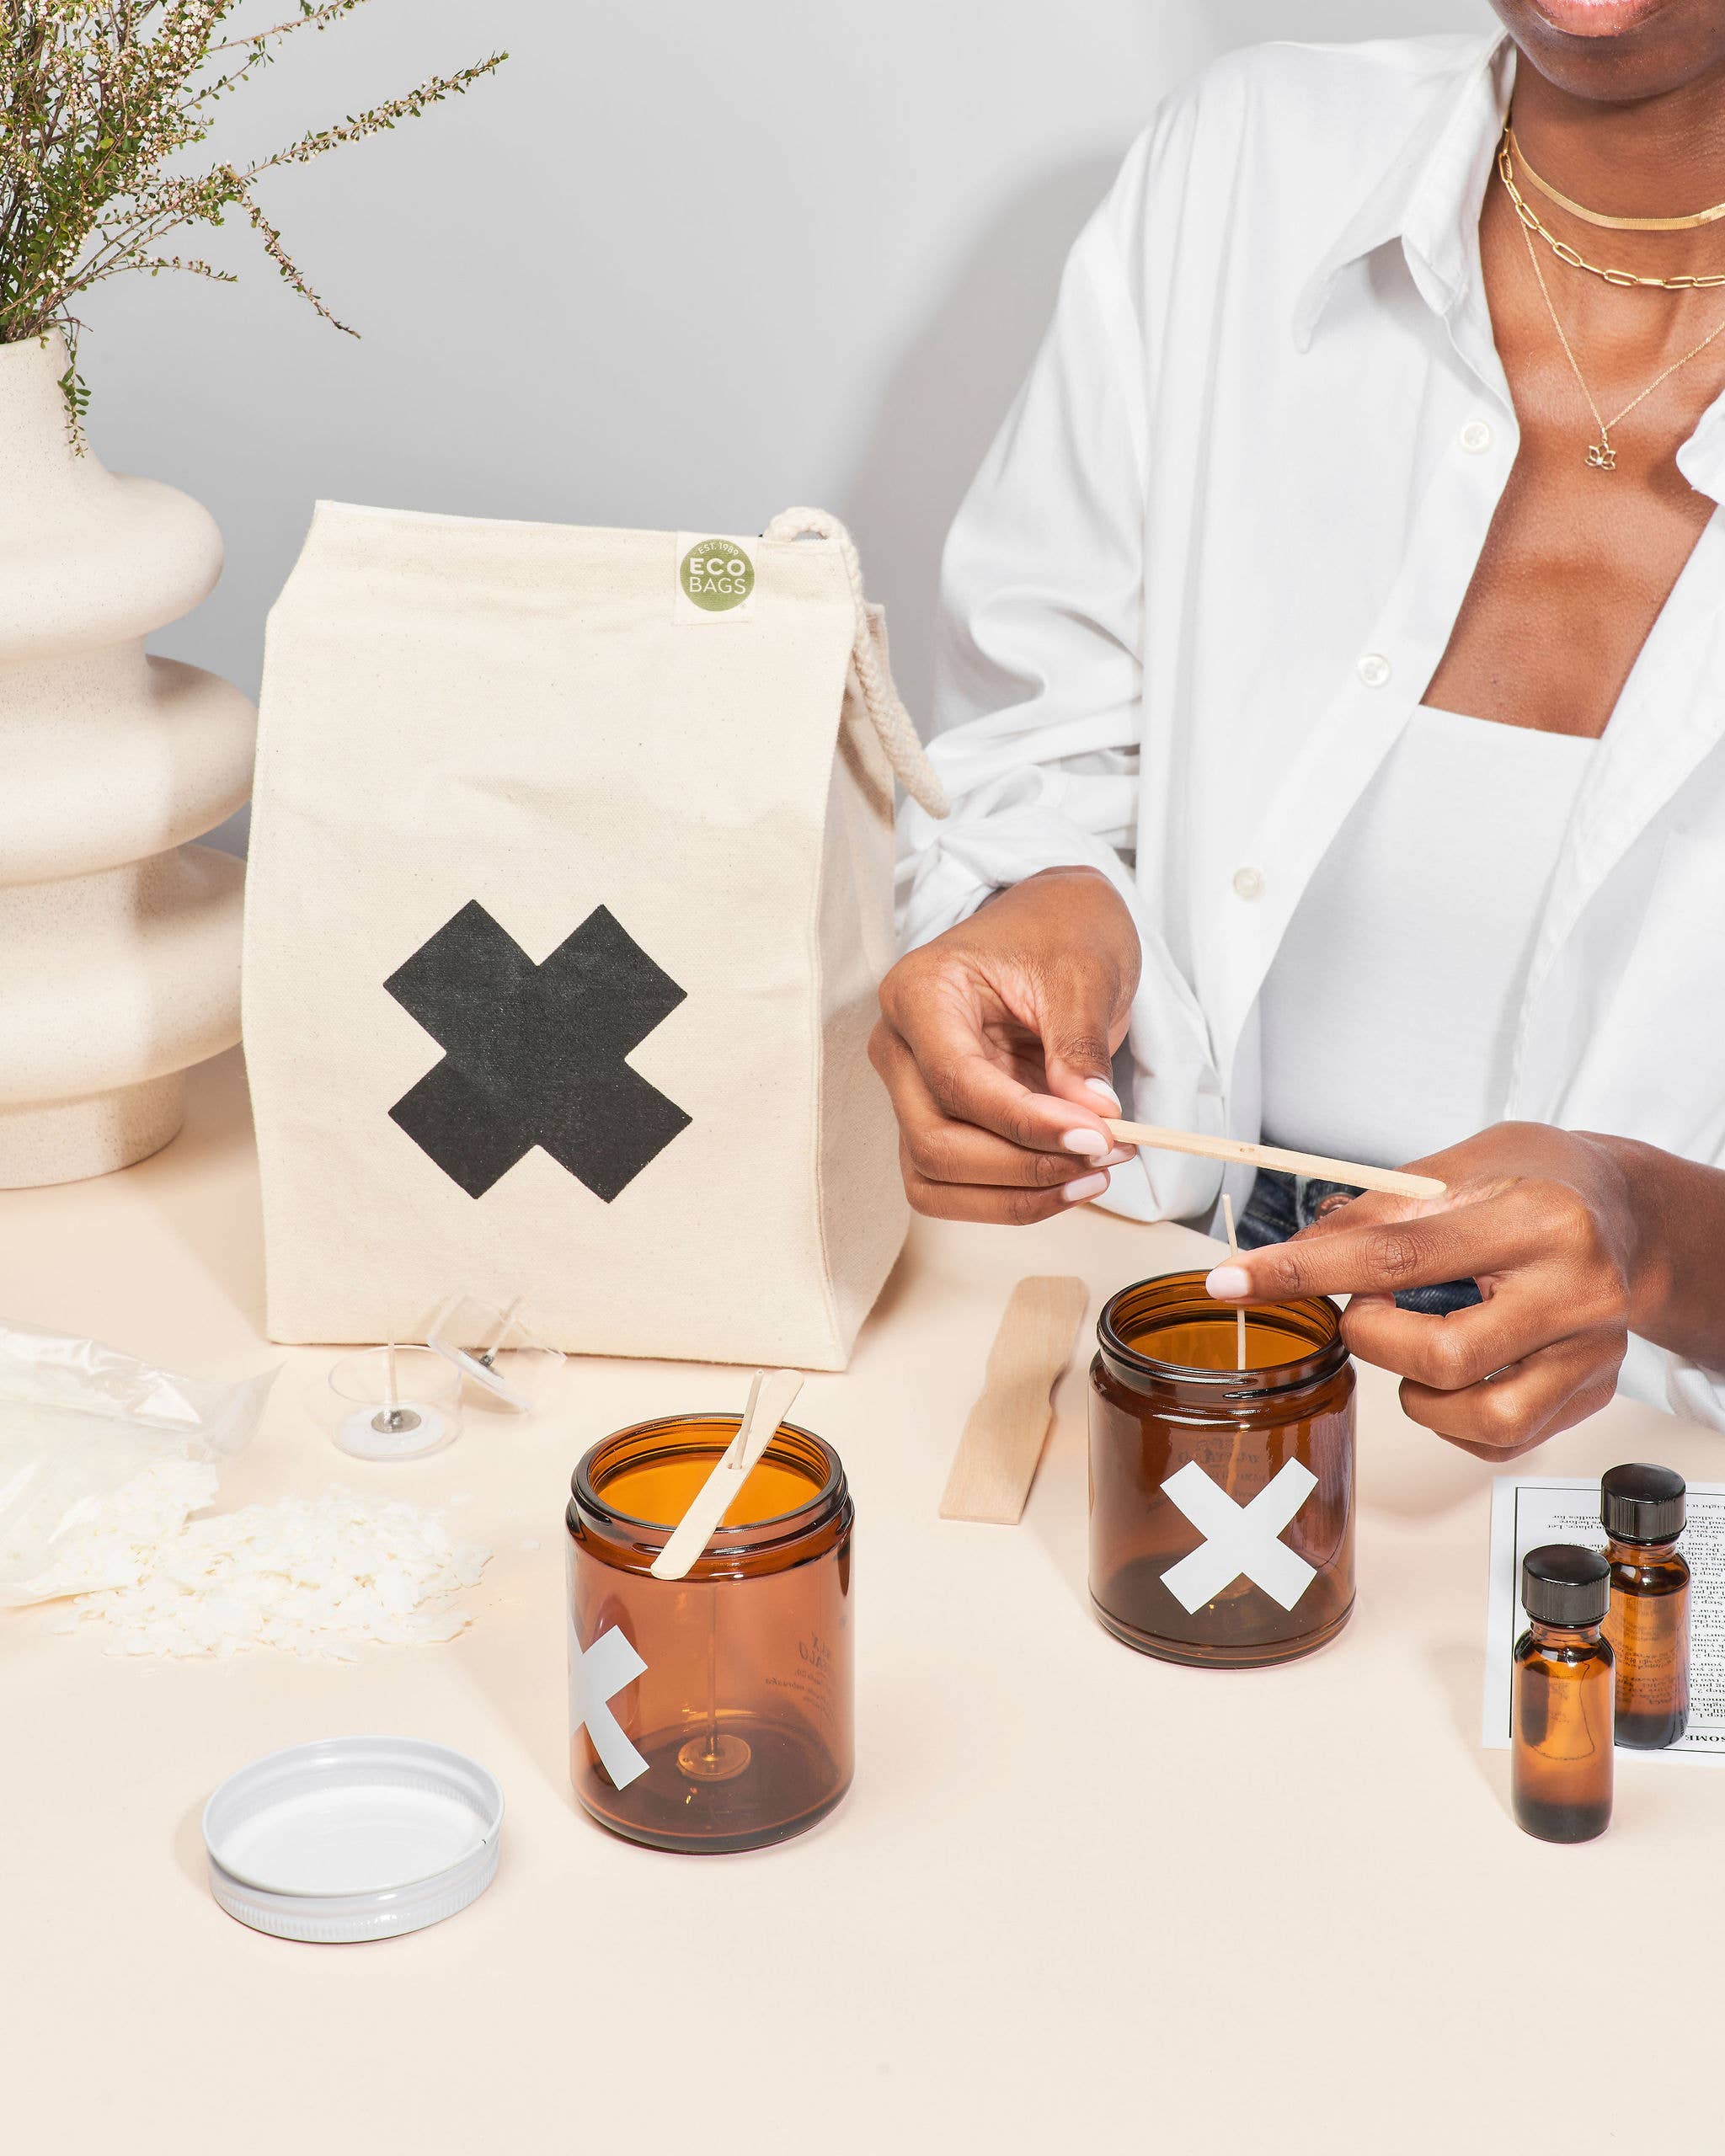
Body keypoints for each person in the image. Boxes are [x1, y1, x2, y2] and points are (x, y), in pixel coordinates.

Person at [877, 2, 1725, 1458]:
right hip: (1168, 1283)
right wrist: (1042, 897)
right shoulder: (1252, 162)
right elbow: (1036, 736)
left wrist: (1654, 1239)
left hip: (1660, 1427)